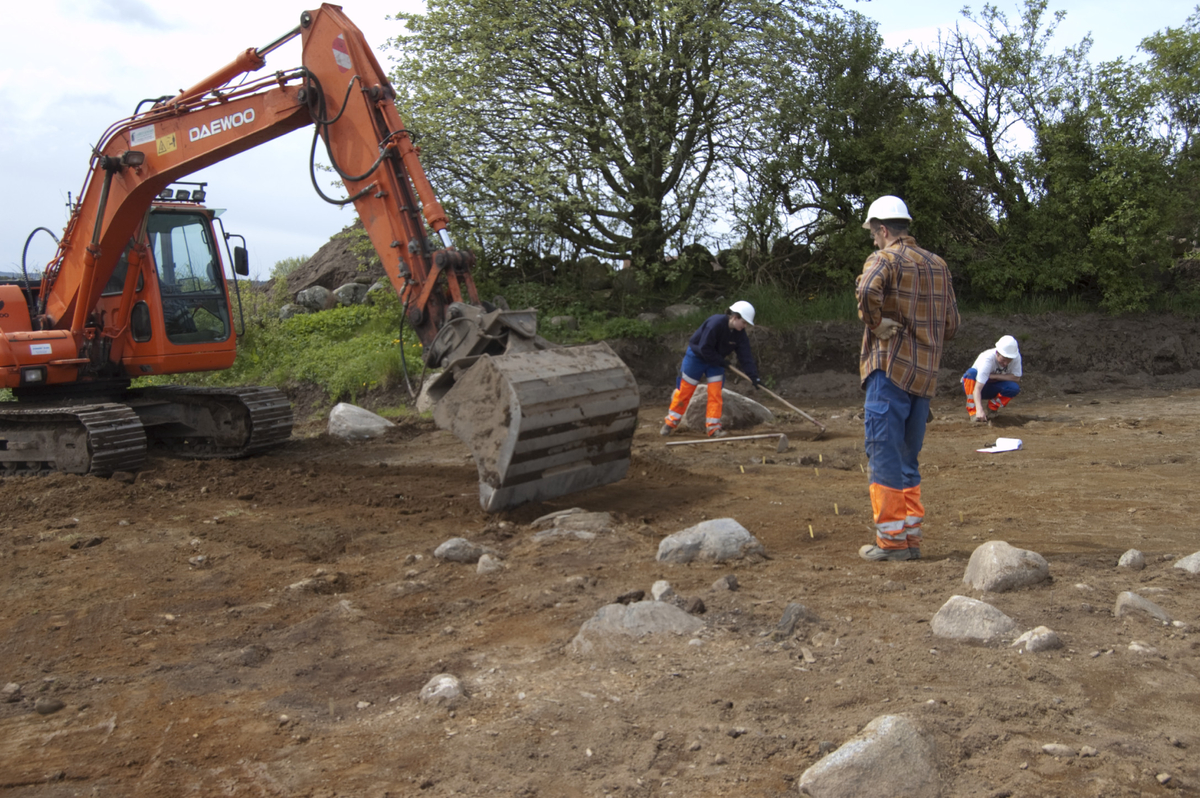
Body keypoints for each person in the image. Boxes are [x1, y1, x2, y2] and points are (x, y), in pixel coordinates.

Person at [855, 195, 960, 562]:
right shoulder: (938, 264)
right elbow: (951, 324)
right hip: (925, 377)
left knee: (882, 453)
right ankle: (910, 538)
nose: (872, 240)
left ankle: (892, 542)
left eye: (873, 233)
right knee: (907, 457)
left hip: (890, 371)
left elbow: (867, 290)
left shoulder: (884, 259)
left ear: (883, 229)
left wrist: (875, 322)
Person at [660, 301, 762, 438]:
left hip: (716, 362)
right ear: (735, 317)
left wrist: (754, 376)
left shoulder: (740, 334)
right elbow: (704, 348)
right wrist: (721, 361)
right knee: (684, 392)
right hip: (696, 358)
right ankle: (670, 423)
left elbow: (745, 355)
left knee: (715, 394)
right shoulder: (715, 324)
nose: (745, 326)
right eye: (744, 322)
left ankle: (713, 428)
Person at [962, 336, 1022, 422]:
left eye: (1009, 360)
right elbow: (977, 389)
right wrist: (979, 410)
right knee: (971, 373)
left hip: (993, 387)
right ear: (997, 353)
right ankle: (973, 413)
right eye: (1003, 359)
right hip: (975, 387)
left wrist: (994, 376)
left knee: (1013, 388)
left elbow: (1016, 377)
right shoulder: (987, 359)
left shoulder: (1015, 356)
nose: (1005, 363)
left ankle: (992, 408)